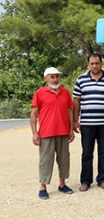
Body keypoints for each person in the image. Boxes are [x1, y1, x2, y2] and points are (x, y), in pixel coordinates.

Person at [73, 53, 104, 191]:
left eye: (97, 63)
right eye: (92, 63)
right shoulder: (81, 79)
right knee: (87, 153)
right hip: (87, 123)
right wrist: (75, 120)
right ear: (88, 64)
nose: (95, 66)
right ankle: (85, 181)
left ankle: (102, 179)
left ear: (101, 63)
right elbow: (76, 100)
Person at [30, 67, 75, 200]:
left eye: (57, 77)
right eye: (52, 77)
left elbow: (69, 112)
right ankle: (43, 187)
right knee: (45, 161)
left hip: (63, 132)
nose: (55, 79)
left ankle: (62, 184)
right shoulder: (39, 93)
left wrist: (71, 130)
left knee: (64, 159)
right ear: (46, 79)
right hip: (46, 133)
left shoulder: (65, 92)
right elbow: (33, 114)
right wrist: (34, 133)